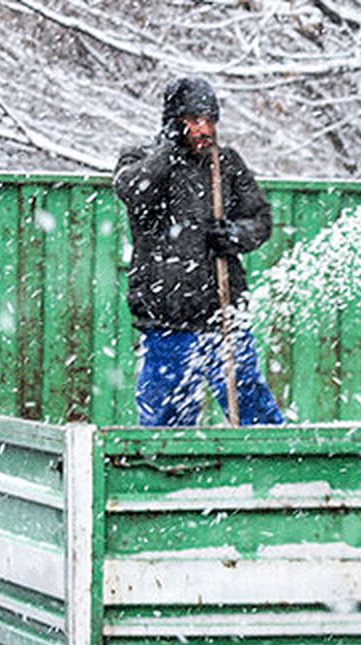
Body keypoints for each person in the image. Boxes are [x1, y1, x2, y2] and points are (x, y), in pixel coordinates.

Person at [113, 77, 284, 426]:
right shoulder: (141, 158)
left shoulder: (226, 164)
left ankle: (275, 471)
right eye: (194, 119)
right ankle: (166, 474)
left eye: (210, 120)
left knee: (247, 397)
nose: (204, 129)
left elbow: (260, 219)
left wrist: (236, 235)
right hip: (167, 313)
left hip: (223, 310)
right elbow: (132, 191)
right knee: (168, 410)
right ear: (174, 121)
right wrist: (167, 152)